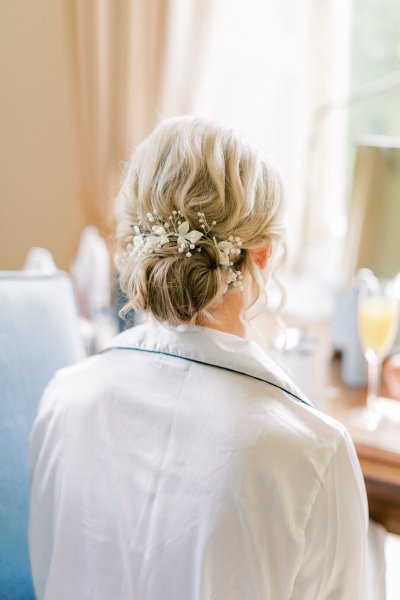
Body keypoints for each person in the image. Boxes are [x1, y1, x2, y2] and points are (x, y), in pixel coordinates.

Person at [29, 117, 368, 599]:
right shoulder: (312, 453)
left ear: (133, 241)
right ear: (265, 255)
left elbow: (50, 577)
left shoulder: (65, 396)